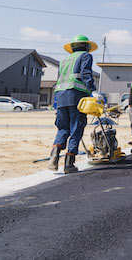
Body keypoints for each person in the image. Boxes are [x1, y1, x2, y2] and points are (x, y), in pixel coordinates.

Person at [48, 35, 97, 174]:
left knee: (63, 128)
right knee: (76, 127)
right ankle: (69, 164)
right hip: (76, 95)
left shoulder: (64, 60)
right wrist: (93, 90)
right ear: (86, 46)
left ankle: (54, 155)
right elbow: (86, 74)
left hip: (60, 96)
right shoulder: (85, 56)